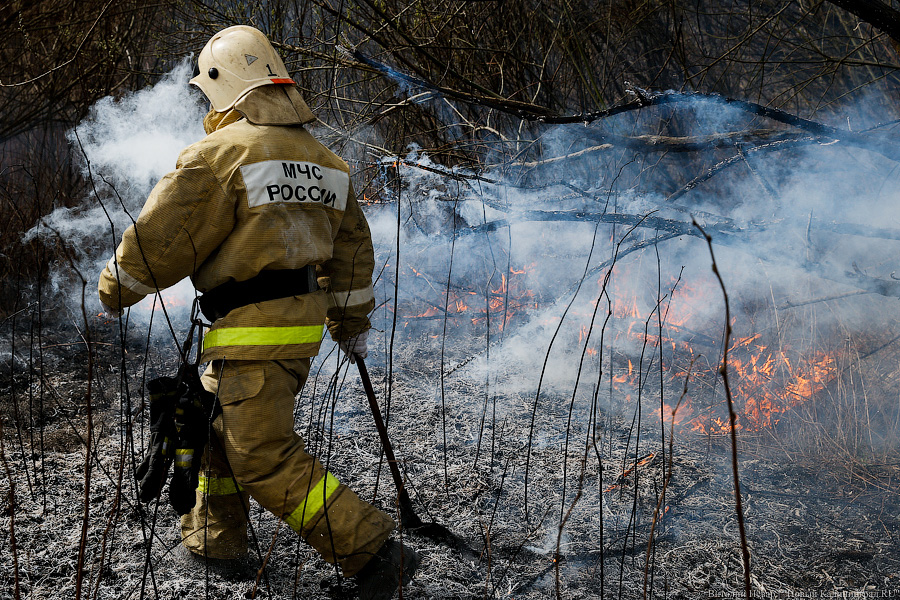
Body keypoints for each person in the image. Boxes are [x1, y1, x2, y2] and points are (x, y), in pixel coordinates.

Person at [98, 25, 418, 599]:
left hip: (249, 328)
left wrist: (115, 286)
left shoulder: (221, 155)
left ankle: (374, 552)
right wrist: (350, 325)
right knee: (221, 430)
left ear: (224, 84)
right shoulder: (329, 162)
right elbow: (351, 254)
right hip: (296, 331)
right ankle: (215, 544)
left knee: (263, 457)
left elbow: (164, 236)